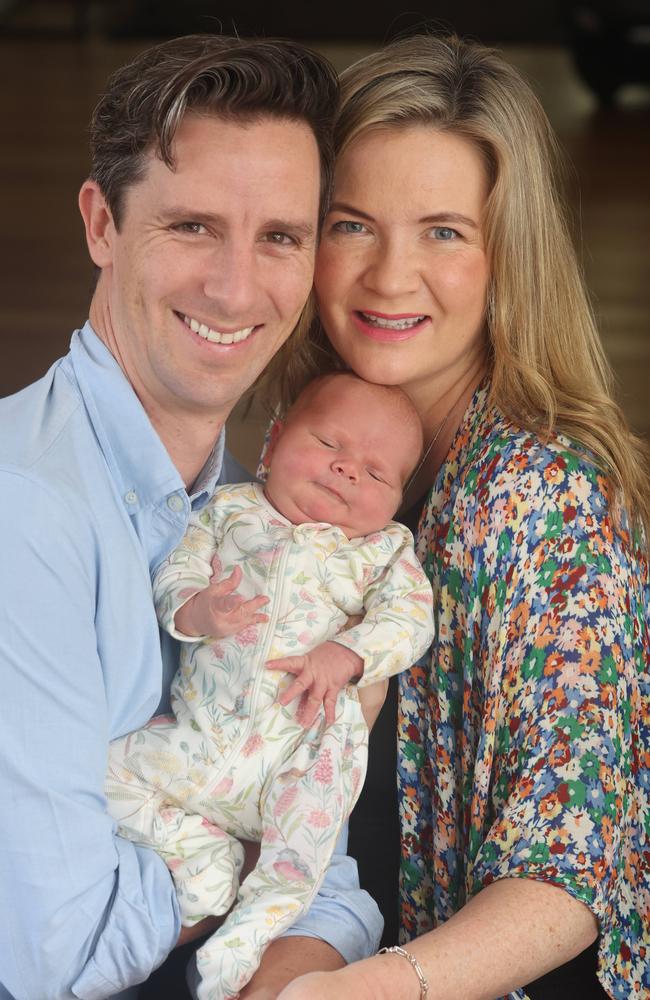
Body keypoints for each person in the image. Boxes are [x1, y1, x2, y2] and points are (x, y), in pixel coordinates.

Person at [257, 33, 650, 1000]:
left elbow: (568, 875)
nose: (390, 277)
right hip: (315, 926)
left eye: (444, 231)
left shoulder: (547, 498)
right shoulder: (302, 445)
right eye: (353, 225)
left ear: (506, 255)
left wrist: (354, 992)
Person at [0, 35, 386, 1000]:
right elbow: (53, 961)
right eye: (193, 226)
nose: (236, 288)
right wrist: (260, 878)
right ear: (101, 223)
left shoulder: (250, 511)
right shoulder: (28, 514)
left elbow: (334, 888)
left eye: (280, 237)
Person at [106, 372, 434, 1000]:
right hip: (203, 742)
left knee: (297, 864)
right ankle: (204, 858)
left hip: (301, 757)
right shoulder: (230, 510)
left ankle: (241, 944)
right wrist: (193, 611)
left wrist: (348, 653)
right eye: (329, 444)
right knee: (103, 769)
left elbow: (410, 618)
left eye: (375, 473)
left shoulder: (384, 553)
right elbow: (178, 568)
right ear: (276, 438)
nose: (346, 472)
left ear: (396, 501)